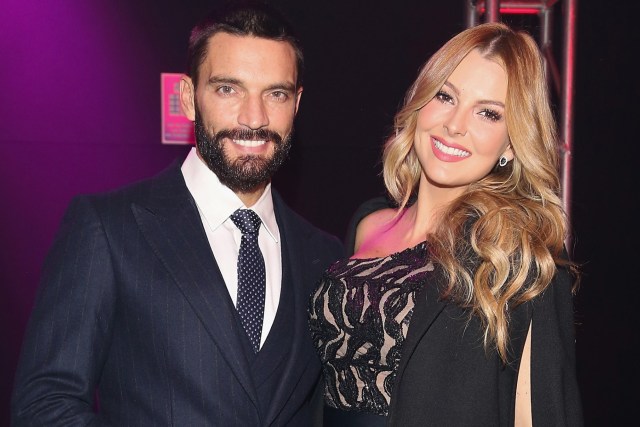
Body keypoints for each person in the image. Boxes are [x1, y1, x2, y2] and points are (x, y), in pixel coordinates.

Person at [11, 1, 344, 425]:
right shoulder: (108, 228)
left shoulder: (324, 256)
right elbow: (44, 407)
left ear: (296, 104)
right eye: (228, 89)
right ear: (188, 98)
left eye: (275, 93)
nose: (254, 117)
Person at [309, 22, 582, 426]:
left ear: (511, 143)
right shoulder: (367, 224)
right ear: (421, 102)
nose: (455, 125)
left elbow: (537, 415)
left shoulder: (518, 258)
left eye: (488, 113)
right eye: (445, 96)